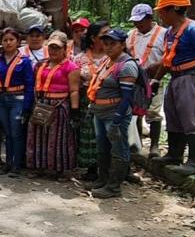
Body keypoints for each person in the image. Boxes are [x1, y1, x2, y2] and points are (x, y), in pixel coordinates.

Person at [150, 0, 195, 176]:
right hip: (176, 77)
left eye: (163, 11)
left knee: (191, 117)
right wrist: (156, 78)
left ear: (174, 10)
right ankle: (174, 154)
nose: (160, 15)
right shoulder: (170, 33)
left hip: (191, 77)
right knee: (174, 115)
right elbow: (167, 59)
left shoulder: (193, 30)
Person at [84, 29, 139, 198]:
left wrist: (116, 120)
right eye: (106, 43)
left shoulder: (127, 66)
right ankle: (103, 179)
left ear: (122, 45)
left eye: (112, 44)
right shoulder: (106, 61)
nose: (108, 47)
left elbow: (126, 97)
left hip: (114, 114)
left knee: (118, 149)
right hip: (99, 112)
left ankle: (114, 186)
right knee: (103, 147)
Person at [26, 31, 81, 181]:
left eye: (57, 48)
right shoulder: (40, 64)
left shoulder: (71, 67)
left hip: (58, 106)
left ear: (65, 49)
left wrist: (75, 111)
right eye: (51, 48)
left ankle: (60, 170)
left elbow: (74, 90)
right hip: (40, 105)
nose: (53, 51)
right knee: (38, 137)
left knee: (58, 139)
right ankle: (39, 167)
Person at [0, 28, 35, 177]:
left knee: (16, 133)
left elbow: (29, 84)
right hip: (1, 100)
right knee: (7, 133)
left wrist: (27, 106)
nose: (8, 43)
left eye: (11, 40)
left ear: (18, 42)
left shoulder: (24, 61)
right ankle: (7, 163)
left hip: (17, 100)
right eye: (5, 40)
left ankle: (16, 165)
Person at [126, 4, 167, 158]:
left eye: (141, 21)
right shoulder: (131, 34)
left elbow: (168, 55)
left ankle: (154, 146)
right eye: (136, 22)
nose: (138, 24)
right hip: (135, 79)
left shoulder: (163, 34)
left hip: (154, 77)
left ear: (150, 18)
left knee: (154, 110)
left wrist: (157, 69)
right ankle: (137, 144)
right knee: (136, 111)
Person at [73, 20, 110, 181]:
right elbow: (74, 83)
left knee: (109, 134)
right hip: (86, 100)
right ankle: (92, 168)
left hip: (109, 100)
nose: (108, 38)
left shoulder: (113, 57)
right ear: (93, 38)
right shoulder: (79, 58)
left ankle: (113, 170)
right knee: (89, 135)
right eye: (104, 35)